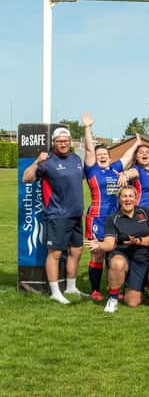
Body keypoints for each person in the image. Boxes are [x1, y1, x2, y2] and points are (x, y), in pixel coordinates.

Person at [22, 127, 86, 304]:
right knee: (55, 254)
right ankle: (55, 292)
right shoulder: (47, 161)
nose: (63, 144)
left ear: (70, 141)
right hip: (57, 215)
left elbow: (75, 187)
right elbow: (25, 178)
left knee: (76, 251)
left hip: (75, 215)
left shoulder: (76, 159)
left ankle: (72, 287)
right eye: (60, 141)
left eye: (66, 140)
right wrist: (36, 161)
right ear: (54, 143)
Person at [81, 112, 137, 301]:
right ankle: (95, 290)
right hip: (97, 216)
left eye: (105, 154)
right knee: (97, 253)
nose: (102, 156)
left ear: (109, 156)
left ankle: (115, 288)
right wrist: (87, 128)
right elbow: (89, 150)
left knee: (115, 253)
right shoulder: (91, 169)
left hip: (115, 217)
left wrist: (137, 143)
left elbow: (128, 156)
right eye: (99, 155)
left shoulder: (115, 168)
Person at [85, 186, 149, 313]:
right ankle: (113, 298)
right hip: (121, 253)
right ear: (119, 199)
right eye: (124, 196)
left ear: (136, 199)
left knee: (132, 302)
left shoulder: (145, 213)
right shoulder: (113, 218)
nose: (128, 199)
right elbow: (109, 243)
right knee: (117, 263)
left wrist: (139, 241)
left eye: (131, 196)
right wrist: (100, 245)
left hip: (140, 258)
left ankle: (138, 284)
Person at [120, 135, 149, 212]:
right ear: (136, 157)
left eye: (147, 153)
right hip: (141, 213)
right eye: (141, 152)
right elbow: (132, 173)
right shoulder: (137, 169)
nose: (145, 154)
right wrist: (125, 175)